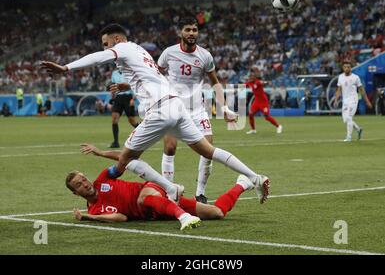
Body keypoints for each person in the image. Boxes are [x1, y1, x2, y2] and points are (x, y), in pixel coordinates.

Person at [41, 23, 270, 205]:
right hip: (176, 105)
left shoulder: (123, 47)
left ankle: (171, 190)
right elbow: (151, 79)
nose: (105, 48)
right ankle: (255, 177)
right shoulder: (141, 51)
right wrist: (126, 87)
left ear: (117, 39)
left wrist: (66, 67)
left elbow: (98, 58)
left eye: (106, 43)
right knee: (208, 151)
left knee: (125, 159)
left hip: (160, 110)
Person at [66, 143, 256, 230]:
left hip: (150, 190)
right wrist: (87, 217)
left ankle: (182, 215)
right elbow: (121, 217)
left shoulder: (102, 179)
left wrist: (100, 153)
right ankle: (243, 183)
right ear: (76, 193)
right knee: (217, 213)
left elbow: (124, 160)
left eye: (83, 179)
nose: (85, 184)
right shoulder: (95, 210)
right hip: (157, 210)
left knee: (142, 199)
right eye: (79, 185)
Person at [157, 16, 233, 204]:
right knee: (170, 147)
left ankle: (200, 193)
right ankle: (169, 193)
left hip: (197, 110)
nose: (191, 33)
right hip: (173, 108)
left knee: (208, 150)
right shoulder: (168, 53)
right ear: (180, 32)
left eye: (194, 30)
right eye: (188, 30)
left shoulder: (205, 56)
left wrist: (224, 107)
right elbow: (155, 75)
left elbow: (215, 83)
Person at [333, 61, 372, 141]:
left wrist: (367, 101)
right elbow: (339, 90)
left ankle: (349, 137)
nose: (347, 68)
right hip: (345, 101)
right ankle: (358, 129)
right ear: (343, 68)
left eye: (348, 67)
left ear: (351, 68)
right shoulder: (340, 77)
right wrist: (336, 100)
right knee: (346, 119)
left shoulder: (355, 77)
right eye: (345, 67)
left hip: (353, 100)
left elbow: (361, 89)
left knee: (349, 117)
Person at [108, 68, 140, 148]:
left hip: (128, 97)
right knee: (114, 119)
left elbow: (134, 86)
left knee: (132, 121)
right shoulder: (114, 73)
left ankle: (145, 135)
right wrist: (112, 98)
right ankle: (116, 142)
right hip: (118, 98)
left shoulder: (129, 72)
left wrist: (133, 98)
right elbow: (113, 86)